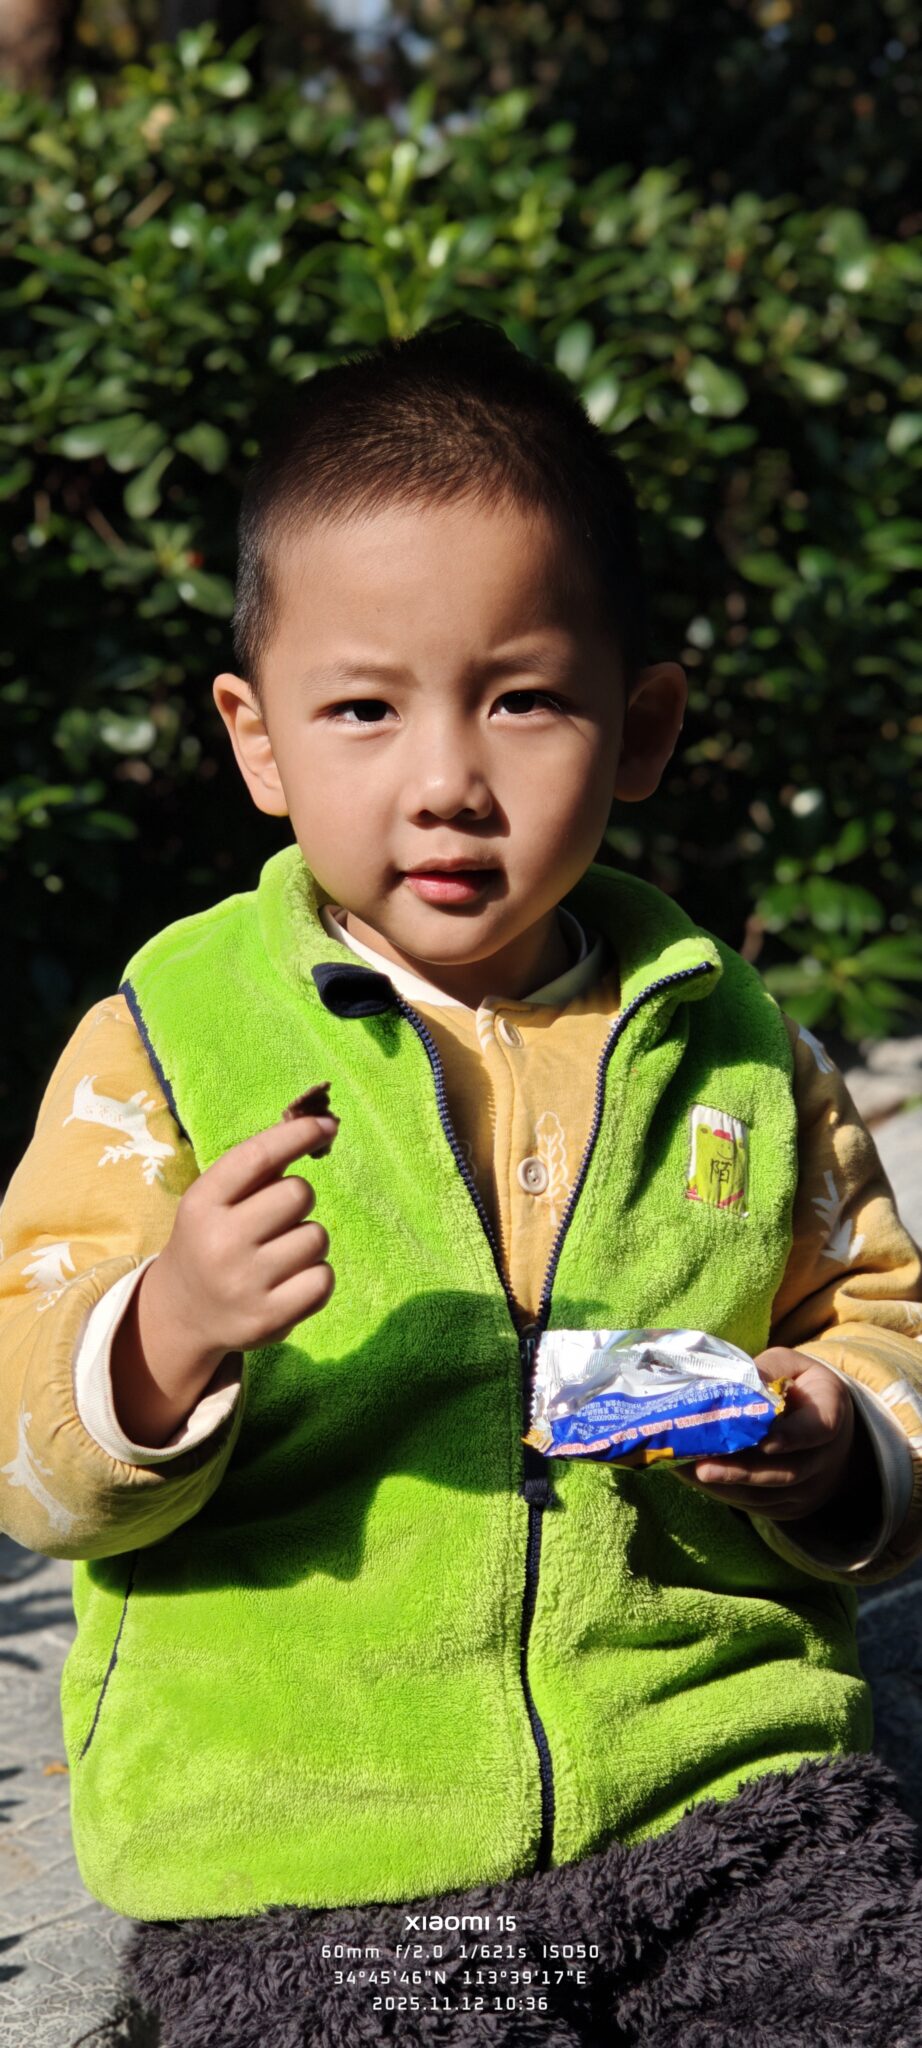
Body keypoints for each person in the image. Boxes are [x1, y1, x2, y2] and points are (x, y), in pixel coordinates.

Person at [2, 314, 922, 2046]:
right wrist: (164, 1331)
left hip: (717, 1797)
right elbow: (27, 1454)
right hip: (309, 1839)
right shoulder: (169, 1045)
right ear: (257, 738)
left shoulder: (736, 1049)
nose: (445, 783)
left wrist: (836, 1435)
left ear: (640, 725)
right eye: (361, 709)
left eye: (522, 700)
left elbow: (880, 1321)